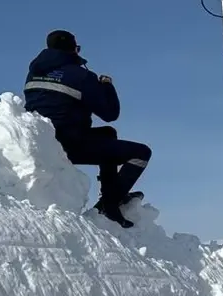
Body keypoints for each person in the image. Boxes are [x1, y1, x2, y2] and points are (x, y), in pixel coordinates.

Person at [23, 30, 151, 228]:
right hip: (71, 143)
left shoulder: (34, 73)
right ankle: (109, 204)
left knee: (108, 134)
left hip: (44, 143)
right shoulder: (81, 76)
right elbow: (110, 113)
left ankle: (111, 196)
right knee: (141, 153)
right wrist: (107, 86)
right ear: (73, 49)